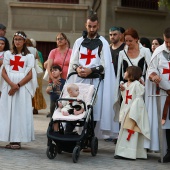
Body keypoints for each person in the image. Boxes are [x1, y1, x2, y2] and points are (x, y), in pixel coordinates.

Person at [67, 13, 119, 138]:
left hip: (96, 82)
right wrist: (78, 68)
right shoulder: (79, 42)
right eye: (89, 26)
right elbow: (73, 62)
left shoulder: (103, 43)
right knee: (77, 106)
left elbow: (105, 65)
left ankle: (89, 137)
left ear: (98, 26)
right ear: (86, 25)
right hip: (80, 81)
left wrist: (91, 70)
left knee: (94, 110)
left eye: (94, 27)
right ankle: (71, 135)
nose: (91, 29)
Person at [0, 31, 37, 149]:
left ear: (24, 41)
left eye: (19, 39)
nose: (17, 41)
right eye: (15, 39)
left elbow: (30, 74)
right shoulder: (7, 54)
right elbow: (3, 71)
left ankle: (17, 140)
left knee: (19, 113)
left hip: (22, 88)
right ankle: (6, 137)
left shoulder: (29, 56)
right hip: (9, 86)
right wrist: (11, 84)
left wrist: (17, 86)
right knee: (7, 111)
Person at [114, 28, 151, 128]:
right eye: (126, 41)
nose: (128, 43)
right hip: (127, 88)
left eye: (130, 41)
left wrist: (144, 81)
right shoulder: (122, 53)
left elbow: (150, 69)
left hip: (140, 87)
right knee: (125, 111)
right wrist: (120, 84)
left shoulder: (145, 51)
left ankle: (137, 136)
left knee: (138, 111)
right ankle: (124, 135)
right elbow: (120, 72)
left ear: (136, 39)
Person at [144, 27, 170, 163]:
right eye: (166, 42)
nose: (169, 45)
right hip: (165, 94)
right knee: (166, 124)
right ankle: (168, 152)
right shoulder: (159, 52)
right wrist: (154, 77)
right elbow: (151, 70)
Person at [114, 66, 150, 160]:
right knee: (125, 131)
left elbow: (139, 97)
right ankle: (123, 152)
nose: (124, 73)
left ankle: (130, 153)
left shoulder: (136, 84)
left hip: (133, 111)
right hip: (126, 110)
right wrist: (122, 90)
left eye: (126, 71)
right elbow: (126, 97)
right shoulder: (126, 84)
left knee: (132, 132)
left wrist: (133, 111)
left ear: (131, 74)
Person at [45, 33, 72, 117]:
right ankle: (52, 125)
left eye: (61, 38)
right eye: (57, 39)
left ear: (65, 40)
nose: (59, 40)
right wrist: (53, 78)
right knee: (54, 102)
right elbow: (48, 66)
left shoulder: (71, 51)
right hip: (55, 80)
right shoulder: (53, 51)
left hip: (67, 80)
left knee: (66, 102)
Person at [25, 38, 47, 114]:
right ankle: (36, 107)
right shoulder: (35, 50)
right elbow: (39, 61)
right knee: (36, 90)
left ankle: (26, 107)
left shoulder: (23, 49)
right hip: (34, 72)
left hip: (25, 72)